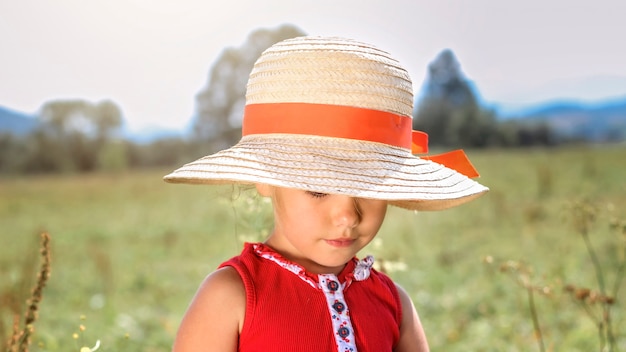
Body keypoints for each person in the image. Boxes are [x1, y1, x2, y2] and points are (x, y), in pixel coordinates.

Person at [164, 35, 488, 352]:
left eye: (369, 188)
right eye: (318, 189)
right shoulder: (231, 297)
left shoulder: (394, 303)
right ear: (264, 177)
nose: (347, 216)